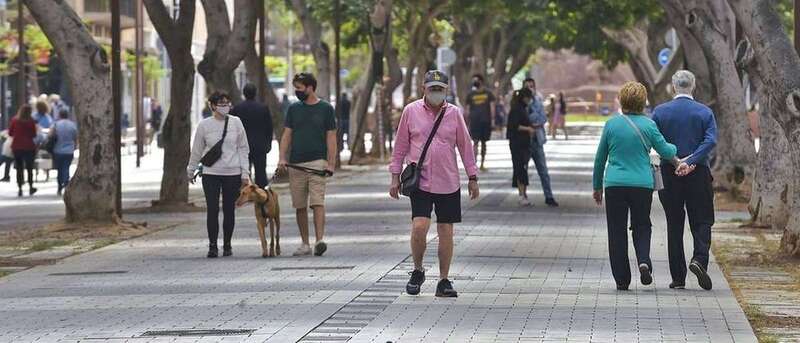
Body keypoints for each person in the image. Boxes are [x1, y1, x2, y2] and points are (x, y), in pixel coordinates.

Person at [389, 70, 480, 298]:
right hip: (420, 180)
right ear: (424, 89)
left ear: (446, 91)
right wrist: (394, 176)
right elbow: (400, 146)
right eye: (432, 89)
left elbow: (465, 146)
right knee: (419, 226)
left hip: (448, 181)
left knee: (446, 230)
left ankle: (444, 280)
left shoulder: (454, 114)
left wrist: (472, 177)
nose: (436, 93)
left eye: (440, 89)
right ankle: (418, 270)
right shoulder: (410, 112)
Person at [592, 81, 680, 290]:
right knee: (642, 224)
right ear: (643, 102)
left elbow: (600, 159)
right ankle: (643, 260)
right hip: (642, 184)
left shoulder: (611, 125)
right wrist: (676, 146)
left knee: (616, 230)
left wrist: (597, 187)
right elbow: (666, 151)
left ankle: (622, 279)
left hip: (614, 184)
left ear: (622, 101)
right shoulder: (648, 125)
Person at [653, 70, 718, 291]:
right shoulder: (704, 112)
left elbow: (656, 140)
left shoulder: (660, 112)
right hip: (698, 172)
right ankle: (699, 259)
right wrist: (691, 160)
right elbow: (711, 140)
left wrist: (675, 161)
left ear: (673, 86)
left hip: (669, 173)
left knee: (674, 223)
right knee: (702, 220)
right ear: (693, 86)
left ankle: (678, 277)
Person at [277, 73, 337, 257]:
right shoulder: (294, 109)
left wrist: (331, 163)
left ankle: (319, 240)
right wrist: (282, 158)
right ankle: (305, 243)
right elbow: (287, 134)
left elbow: (331, 136)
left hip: (318, 163)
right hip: (296, 164)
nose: (297, 91)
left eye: (300, 88)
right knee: (300, 205)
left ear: (310, 87)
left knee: (318, 202)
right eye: (295, 88)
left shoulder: (326, 109)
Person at [187, 91, 251, 258]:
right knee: (213, 209)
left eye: (227, 103)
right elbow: (197, 150)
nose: (225, 106)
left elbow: (243, 148)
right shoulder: (204, 125)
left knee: (229, 209)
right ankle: (213, 245)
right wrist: (191, 170)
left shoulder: (236, 123)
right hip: (211, 173)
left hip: (233, 173)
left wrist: (245, 172)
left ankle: (228, 245)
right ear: (212, 105)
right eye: (221, 103)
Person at [523, 78, 559, 207]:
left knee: (543, 170)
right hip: (524, 141)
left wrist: (533, 121)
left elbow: (543, 118)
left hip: (537, 140)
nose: (530, 89)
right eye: (527, 87)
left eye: (532, 86)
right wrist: (532, 120)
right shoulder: (520, 102)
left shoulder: (538, 100)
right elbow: (523, 118)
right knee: (523, 170)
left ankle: (549, 196)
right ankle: (523, 195)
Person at [233, 83, 273, 188]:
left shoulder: (237, 109)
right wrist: (268, 144)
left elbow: (233, 129)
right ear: (255, 93)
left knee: (245, 172)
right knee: (261, 172)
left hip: (242, 146)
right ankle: (261, 194)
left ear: (244, 93)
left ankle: (246, 193)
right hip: (260, 146)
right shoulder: (263, 108)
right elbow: (269, 128)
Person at [507, 88, 536, 206]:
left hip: (524, 143)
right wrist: (528, 129)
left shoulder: (523, 108)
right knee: (520, 168)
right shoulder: (516, 109)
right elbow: (514, 126)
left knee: (523, 168)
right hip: (517, 143)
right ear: (524, 97)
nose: (530, 100)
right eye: (529, 98)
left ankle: (524, 194)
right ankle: (521, 194)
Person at [464, 74, 495, 171]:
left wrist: (493, 120)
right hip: (474, 122)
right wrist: (467, 122)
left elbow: (492, 107)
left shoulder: (488, 93)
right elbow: (467, 109)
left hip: (485, 121)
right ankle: (474, 164)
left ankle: (482, 163)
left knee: (484, 143)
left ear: (481, 81)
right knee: (475, 142)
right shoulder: (470, 94)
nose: (475, 82)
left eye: (476, 80)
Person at [9, 105, 39, 197]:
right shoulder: (31, 121)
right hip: (29, 147)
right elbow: (34, 134)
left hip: (17, 146)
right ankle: (30, 186)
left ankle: (20, 188)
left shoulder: (14, 120)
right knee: (29, 168)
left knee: (19, 167)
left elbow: (10, 133)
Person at [49, 109, 78, 196]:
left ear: (60, 115)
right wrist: (75, 146)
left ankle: (60, 185)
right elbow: (76, 137)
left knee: (59, 169)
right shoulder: (72, 125)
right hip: (69, 150)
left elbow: (50, 135)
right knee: (66, 167)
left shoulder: (56, 125)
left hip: (57, 150)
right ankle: (66, 183)